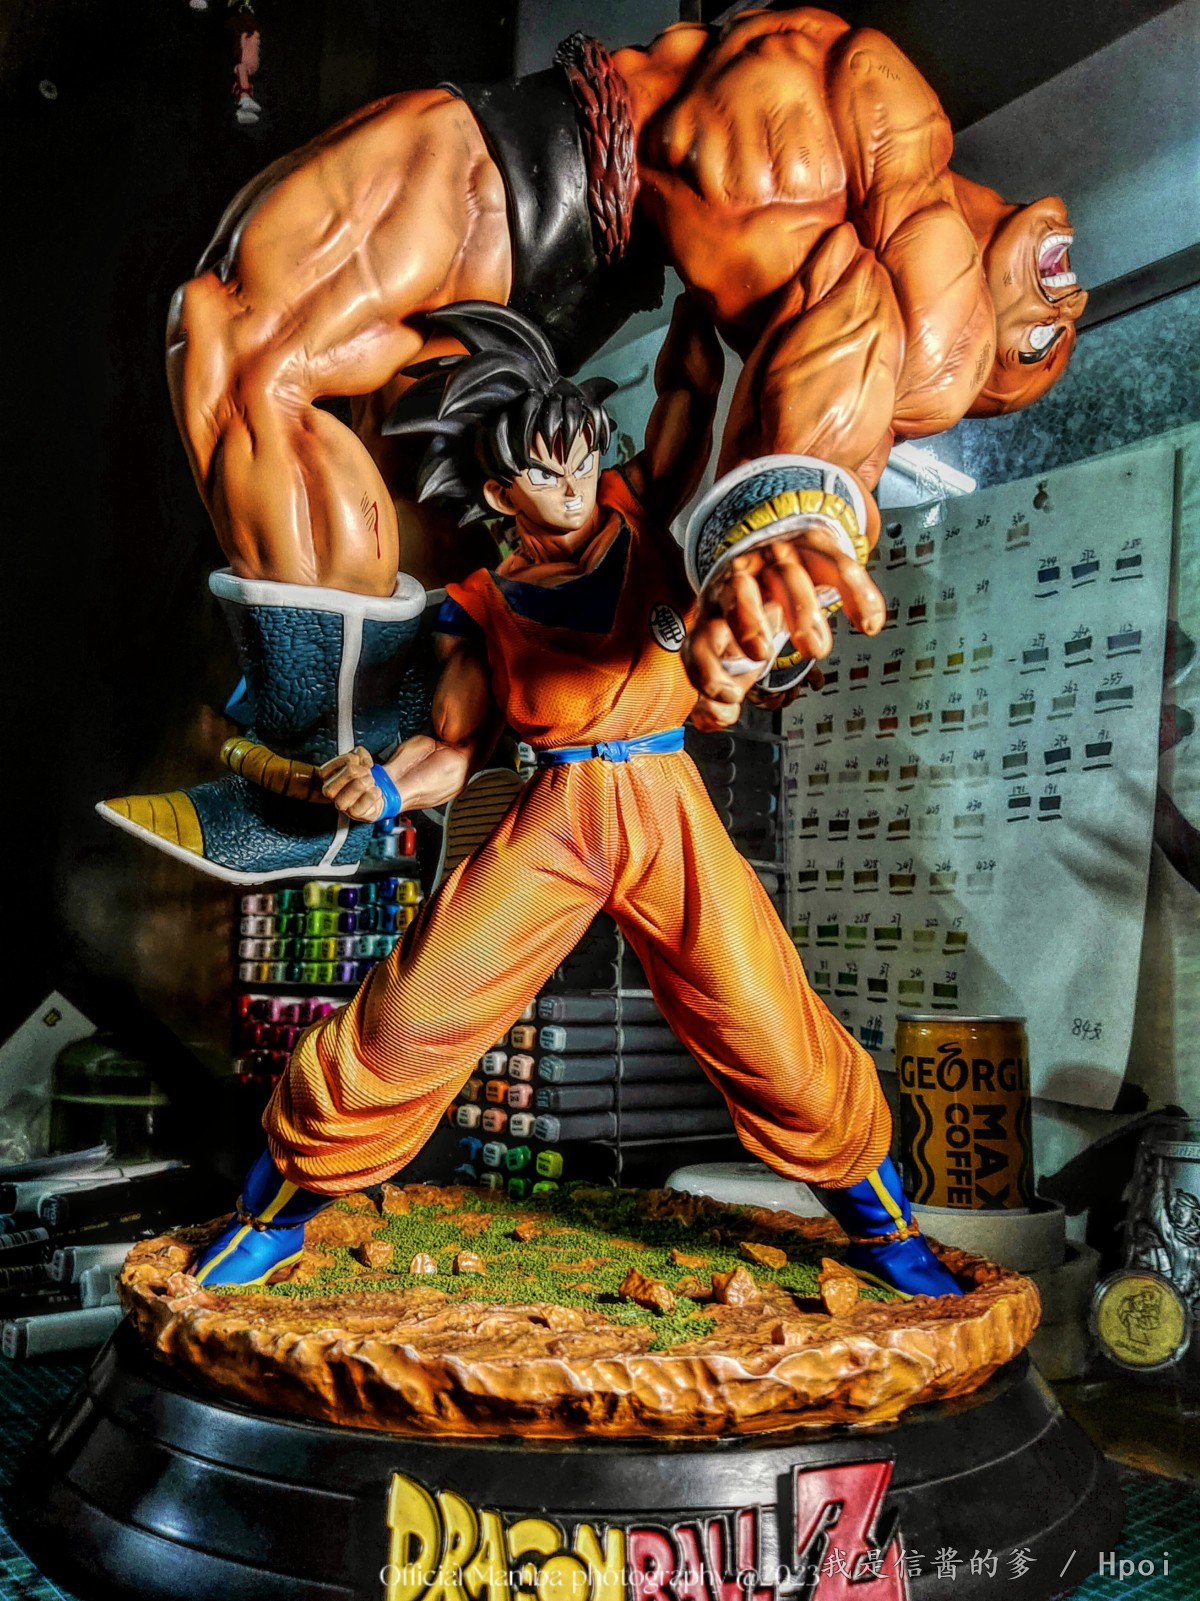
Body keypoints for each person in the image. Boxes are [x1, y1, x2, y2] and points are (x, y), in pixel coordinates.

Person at [101, 9, 1085, 881]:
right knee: (292, 381)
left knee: (238, 339)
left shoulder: (917, 300)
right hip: (572, 189)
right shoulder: (873, 145)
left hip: (551, 183)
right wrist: (776, 536)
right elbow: (797, 369)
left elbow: (856, 344)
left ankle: (315, 776)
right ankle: (340, 757)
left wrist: (785, 535)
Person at [192, 302, 960, 1301]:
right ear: (500, 491)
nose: (575, 486)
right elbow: (453, 750)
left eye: (585, 461)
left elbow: (692, 389)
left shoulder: (640, 507)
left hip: (665, 800)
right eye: (549, 474)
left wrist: (703, 298)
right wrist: (382, 784)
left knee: (769, 1024)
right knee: (409, 1016)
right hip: (557, 813)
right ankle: (271, 1218)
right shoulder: (482, 604)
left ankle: (886, 1231)